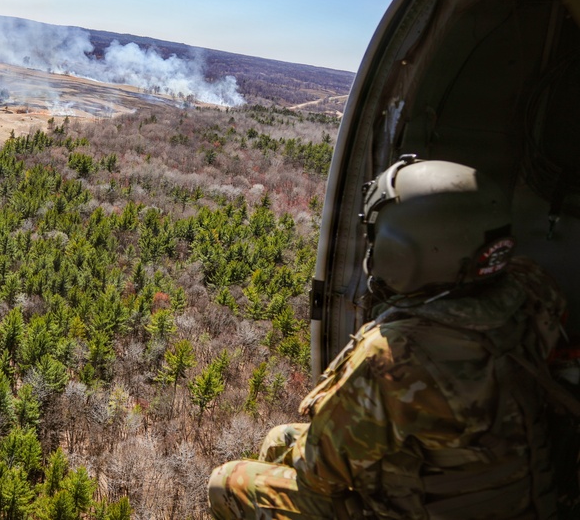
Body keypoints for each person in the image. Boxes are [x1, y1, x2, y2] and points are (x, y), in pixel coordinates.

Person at [208, 156, 566, 520]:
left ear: (403, 252)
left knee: (229, 481)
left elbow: (317, 474)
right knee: (279, 439)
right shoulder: (531, 290)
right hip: (522, 495)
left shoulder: (398, 353)